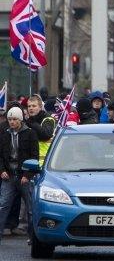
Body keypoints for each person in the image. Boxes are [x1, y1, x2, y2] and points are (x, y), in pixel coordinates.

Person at [0, 107, 38, 245]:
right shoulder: (4, 134)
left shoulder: (30, 134)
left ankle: (33, 236)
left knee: (31, 207)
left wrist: (28, 174)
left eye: (15, 119)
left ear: (20, 119)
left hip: (24, 177)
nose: (12, 122)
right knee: (3, 205)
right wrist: (1, 170)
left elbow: (34, 156)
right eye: (9, 119)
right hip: (9, 175)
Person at [25, 95, 56, 165]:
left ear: (40, 107)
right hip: (30, 163)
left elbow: (46, 135)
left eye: (34, 106)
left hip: (45, 163)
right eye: (29, 106)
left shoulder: (48, 119)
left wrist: (33, 123)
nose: (31, 108)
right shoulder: (27, 122)